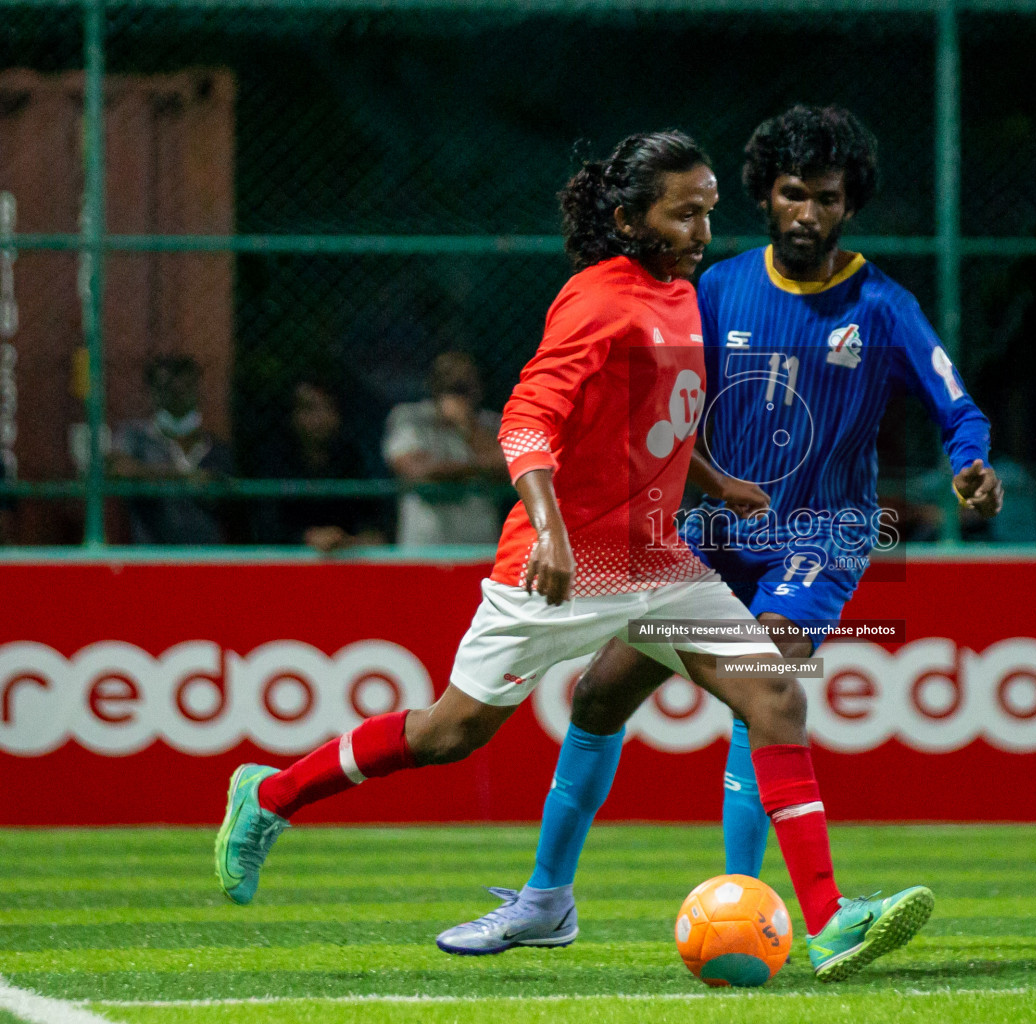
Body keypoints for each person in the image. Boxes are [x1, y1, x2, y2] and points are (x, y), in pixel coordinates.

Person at [214, 129, 933, 984]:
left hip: (660, 559)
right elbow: (526, 421)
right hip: (562, 564)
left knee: (774, 695)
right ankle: (269, 797)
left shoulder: (678, 293)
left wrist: (712, 476)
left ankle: (829, 923)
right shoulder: (598, 300)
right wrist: (552, 534)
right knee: (450, 734)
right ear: (631, 218)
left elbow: (650, 413)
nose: (704, 232)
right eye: (685, 215)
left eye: (709, 212)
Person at [434, 106, 991, 962]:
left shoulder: (882, 304)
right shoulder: (714, 289)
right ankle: (545, 898)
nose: (809, 213)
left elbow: (954, 399)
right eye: (792, 193)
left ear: (852, 205)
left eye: (828, 198)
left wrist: (971, 462)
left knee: (759, 686)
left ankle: (763, 909)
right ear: (765, 197)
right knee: (597, 696)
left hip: (825, 533)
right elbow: (653, 407)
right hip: (708, 533)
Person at [248, 375, 389, 552]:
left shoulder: (350, 460)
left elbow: (370, 523)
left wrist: (354, 540)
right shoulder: (274, 461)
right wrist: (308, 538)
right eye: (309, 408)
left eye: (328, 407)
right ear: (293, 415)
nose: (320, 417)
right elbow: (266, 527)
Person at [383, 351, 504, 548]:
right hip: (423, 547)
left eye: (463, 386)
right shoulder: (409, 418)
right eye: (449, 385)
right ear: (433, 387)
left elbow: (510, 467)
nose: (456, 392)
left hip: (479, 545)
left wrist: (467, 427)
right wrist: (478, 468)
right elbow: (416, 471)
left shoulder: (491, 423)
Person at [110, 355, 233, 545]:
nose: (178, 394)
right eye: (168, 388)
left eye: (185, 387)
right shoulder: (135, 437)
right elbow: (118, 469)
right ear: (152, 393)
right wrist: (181, 475)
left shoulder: (216, 449)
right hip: (152, 559)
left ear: (198, 391)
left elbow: (224, 496)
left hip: (204, 560)